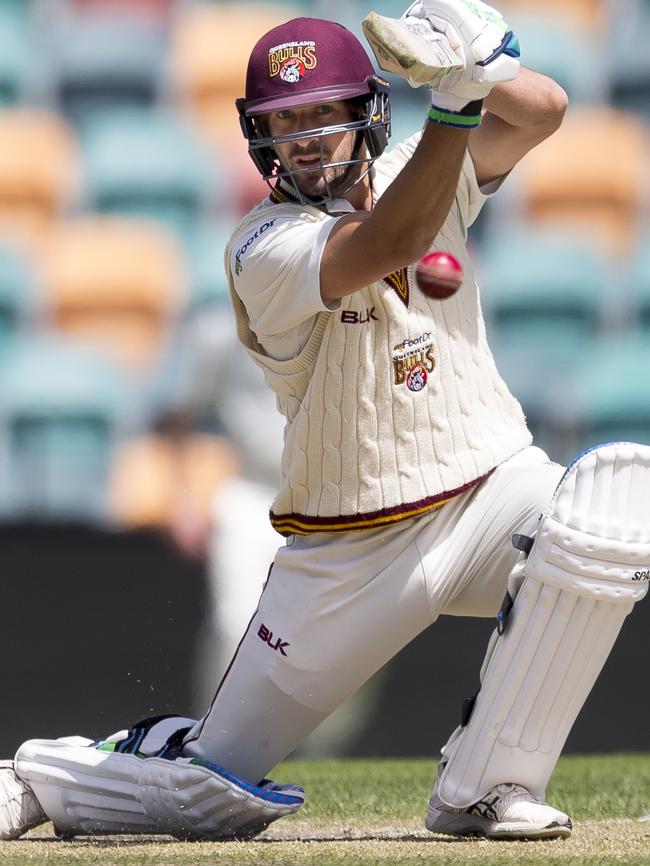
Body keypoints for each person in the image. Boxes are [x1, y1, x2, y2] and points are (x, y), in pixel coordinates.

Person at [3, 0, 650, 844]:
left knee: (610, 509)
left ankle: (487, 787)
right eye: (284, 121)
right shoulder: (260, 246)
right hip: (350, 550)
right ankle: (44, 777)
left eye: (323, 114)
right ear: (256, 136)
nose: (304, 137)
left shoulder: (428, 164)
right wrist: (456, 102)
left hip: (490, 489)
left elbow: (545, 111)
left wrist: (478, 57)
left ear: (367, 114)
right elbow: (393, 237)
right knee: (209, 798)